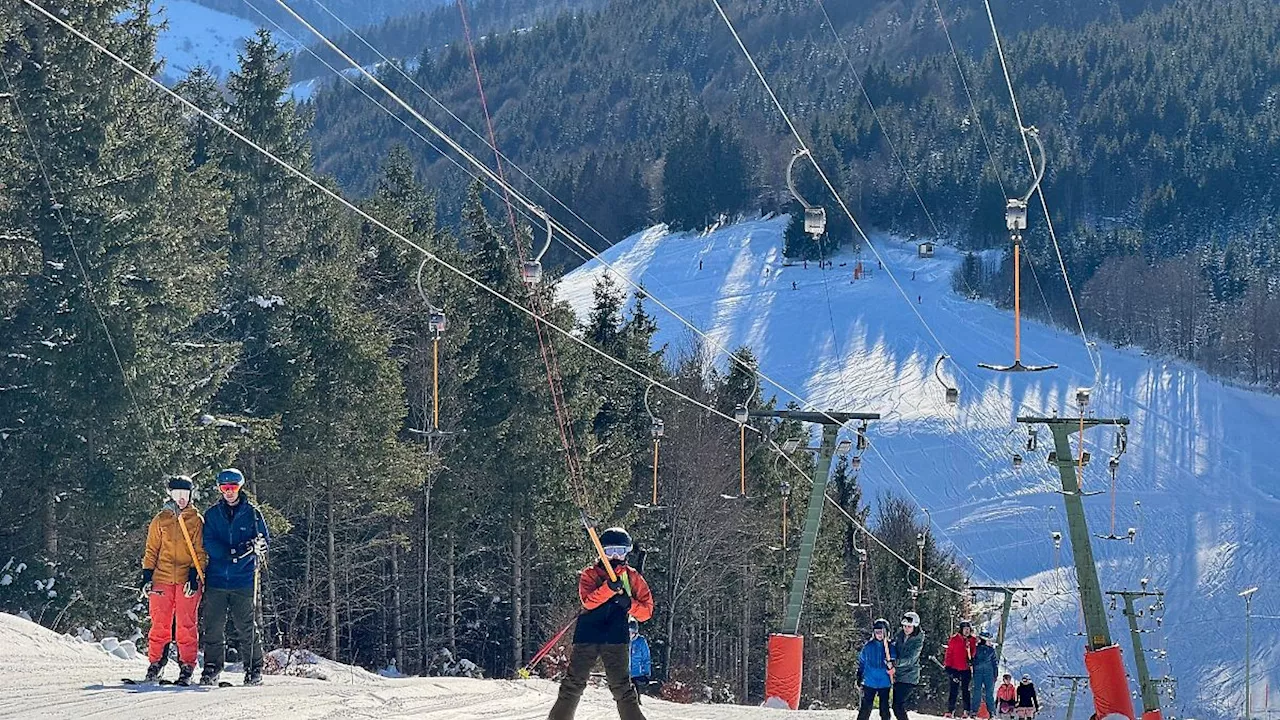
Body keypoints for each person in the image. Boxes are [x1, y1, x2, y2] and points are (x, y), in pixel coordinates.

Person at [548, 527, 654, 720]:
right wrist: (608, 589)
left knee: (622, 687)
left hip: (616, 636)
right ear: (601, 552)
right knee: (574, 683)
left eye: (620, 551)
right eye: (609, 551)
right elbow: (588, 601)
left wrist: (628, 603)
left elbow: (646, 612)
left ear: (627, 553)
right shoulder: (590, 574)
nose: (614, 556)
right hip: (588, 633)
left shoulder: (632, 577)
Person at [199, 468, 269, 687]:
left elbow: (264, 540)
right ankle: (212, 668)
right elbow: (208, 541)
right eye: (224, 488)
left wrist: (257, 547)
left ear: (240, 488)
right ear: (220, 489)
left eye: (232, 488)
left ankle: (254, 668)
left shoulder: (253, 514)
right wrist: (230, 553)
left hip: (243, 579)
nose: (228, 492)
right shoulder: (212, 514)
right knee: (213, 625)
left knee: (246, 625)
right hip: (218, 578)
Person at [139, 475, 207, 684]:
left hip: (187, 579)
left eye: (184, 494)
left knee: (186, 625)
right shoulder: (161, 520)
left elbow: (201, 551)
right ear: (170, 495)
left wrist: (196, 576)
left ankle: (187, 666)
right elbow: (151, 550)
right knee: (160, 623)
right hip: (162, 578)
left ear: (191, 495)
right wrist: (147, 576)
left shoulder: (196, 520)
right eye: (176, 494)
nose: (181, 499)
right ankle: (156, 663)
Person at [856, 618, 896, 720]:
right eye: (877, 632)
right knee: (865, 708)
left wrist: (891, 663)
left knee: (884, 708)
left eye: (882, 632)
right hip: (870, 681)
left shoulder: (890, 647)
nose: (879, 635)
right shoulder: (869, 646)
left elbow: (895, 660)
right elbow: (862, 661)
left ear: (887, 633)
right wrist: (859, 675)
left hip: (884, 681)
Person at [889, 611, 923, 720]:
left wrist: (896, 663)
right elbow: (894, 646)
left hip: (909, 676)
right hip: (898, 675)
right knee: (896, 705)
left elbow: (910, 659)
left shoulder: (917, 641)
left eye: (909, 626)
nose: (906, 629)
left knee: (898, 705)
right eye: (904, 626)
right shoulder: (900, 635)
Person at [943, 621, 977, 718]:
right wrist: (948, 666)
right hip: (955, 668)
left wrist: (971, 659)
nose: (967, 631)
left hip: (966, 669)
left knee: (965, 690)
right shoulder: (954, 639)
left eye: (968, 629)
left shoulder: (972, 640)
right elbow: (949, 653)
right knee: (953, 690)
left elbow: (973, 652)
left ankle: (966, 710)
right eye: (965, 629)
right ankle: (950, 710)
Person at [970, 631, 998, 717]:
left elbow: (994, 663)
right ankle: (974, 711)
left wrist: (995, 674)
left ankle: (991, 712)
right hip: (978, 673)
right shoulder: (976, 649)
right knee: (977, 692)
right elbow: (973, 659)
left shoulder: (991, 650)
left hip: (988, 673)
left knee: (989, 693)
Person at [628, 618, 652, 700]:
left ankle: (637, 703)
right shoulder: (624, 641)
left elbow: (646, 658)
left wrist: (646, 672)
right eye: (629, 632)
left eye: (632, 632)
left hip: (637, 673)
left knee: (635, 693)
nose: (630, 635)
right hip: (625, 672)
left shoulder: (641, 641)